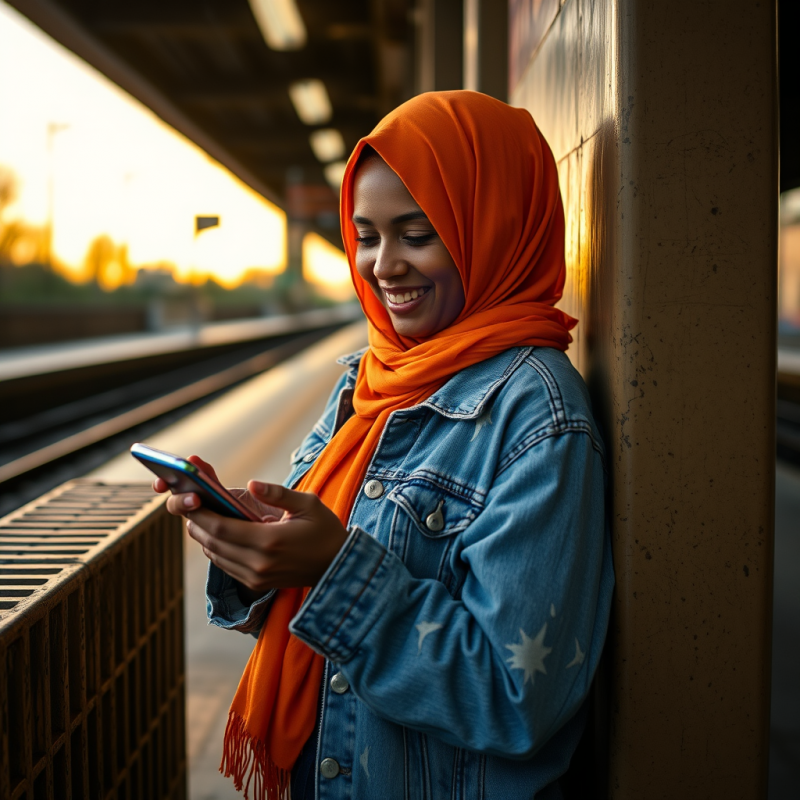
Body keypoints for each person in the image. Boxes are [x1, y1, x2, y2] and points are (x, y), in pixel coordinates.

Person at [155, 90, 613, 800]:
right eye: (366, 236)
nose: (382, 265)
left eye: (417, 233)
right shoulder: (369, 381)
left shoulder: (535, 413)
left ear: (489, 225)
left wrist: (335, 570)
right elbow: (320, 620)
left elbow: (517, 697)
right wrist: (255, 544)